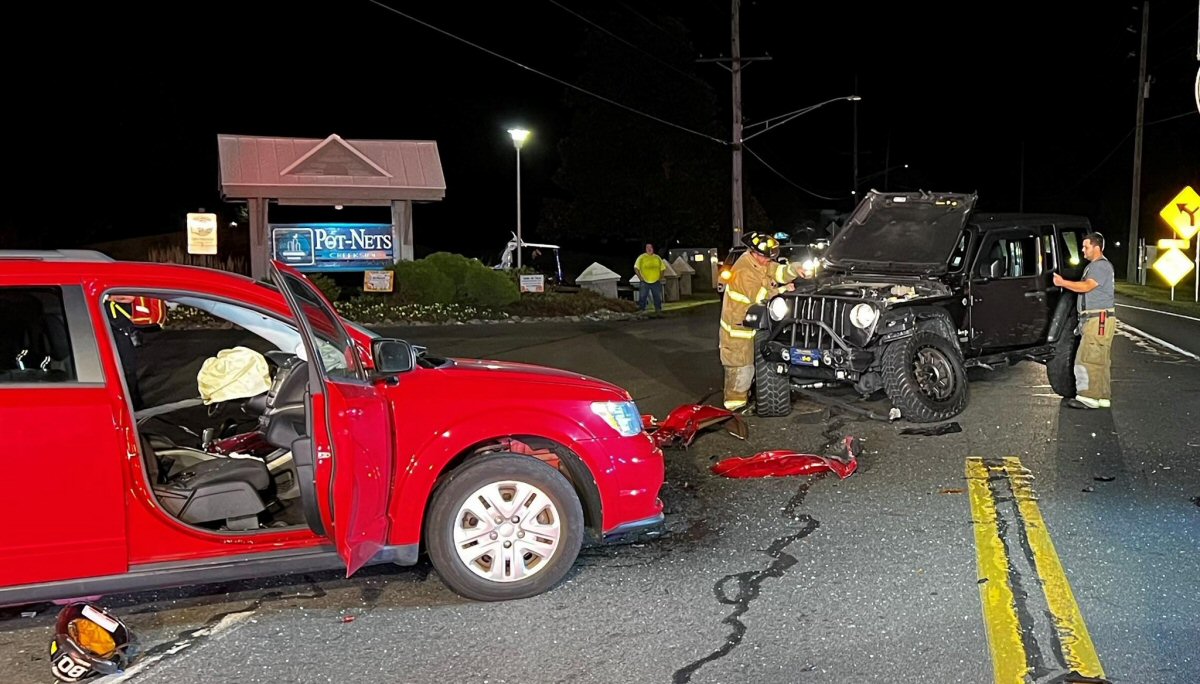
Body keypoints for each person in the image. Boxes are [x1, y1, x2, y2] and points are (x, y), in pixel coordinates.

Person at [719, 232, 801, 411]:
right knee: (740, 367)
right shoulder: (743, 270)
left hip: (751, 323)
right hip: (737, 330)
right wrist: (783, 289)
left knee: (752, 365)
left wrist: (795, 269)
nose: (768, 261)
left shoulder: (759, 262)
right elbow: (759, 296)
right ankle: (735, 408)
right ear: (754, 253)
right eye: (765, 257)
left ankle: (745, 398)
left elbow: (777, 271)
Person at [1053, 232, 1116, 409]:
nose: (1082, 250)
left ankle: (1087, 397)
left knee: (1087, 358)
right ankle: (1102, 396)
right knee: (1100, 358)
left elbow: (1087, 286)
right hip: (1100, 319)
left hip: (1098, 319)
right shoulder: (1099, 266)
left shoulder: (1099, 266)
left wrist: (1062, 282)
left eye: (1086, 246)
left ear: (1097, 247)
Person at [634, 243, 667, 314]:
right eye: (647, 247)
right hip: (645, 281)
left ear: (653, 248)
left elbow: (663, 268)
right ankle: (642, 310)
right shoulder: (641, 257)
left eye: (650, 247)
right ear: (645, 249)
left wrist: (660, 277)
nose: (649, 249)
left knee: (657, 296)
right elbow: (636, 268)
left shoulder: (657, 258)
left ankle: (658, 310)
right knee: (642, 296)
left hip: (656, 281)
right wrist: (640, 278)